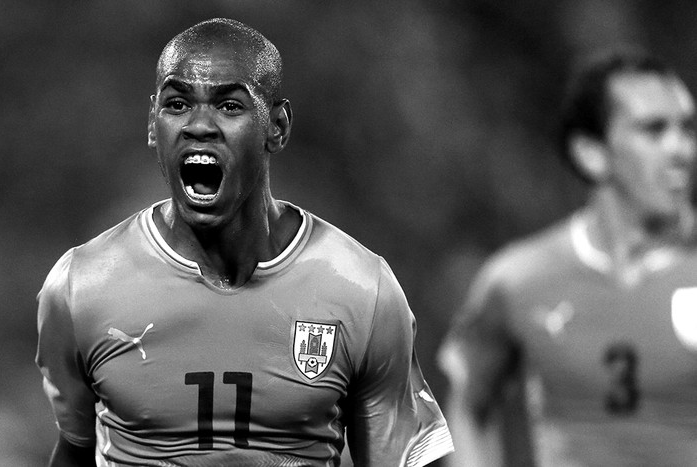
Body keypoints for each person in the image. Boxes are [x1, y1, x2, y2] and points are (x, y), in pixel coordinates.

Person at [36, 18, 454, 467]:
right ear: (153, 126)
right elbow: (74, 449)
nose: (199, 125)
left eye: (229, 106)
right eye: (177, 104)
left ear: (277, 126)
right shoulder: (81, 288)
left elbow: (411, 458)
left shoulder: (361, 290)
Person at [437, 47, 697, 466]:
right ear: (591, 154)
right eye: (654, 131)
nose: (681, 150)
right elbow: (467, 407)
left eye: (688, 129)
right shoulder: (519, 280)